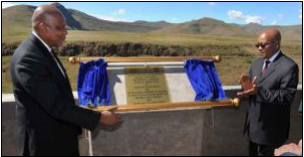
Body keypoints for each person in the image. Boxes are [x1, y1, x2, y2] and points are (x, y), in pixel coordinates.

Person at [10, 5, 121, 156]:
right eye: (60, 28)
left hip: (58, 139)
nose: (65, 33)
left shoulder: (43, 50)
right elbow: (55, 105)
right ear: (43, 27)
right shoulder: (29, 58)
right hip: (45, 145)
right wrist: (100, 117)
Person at [237, 28, 299, 156]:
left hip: (270, 131)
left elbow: (287, 96)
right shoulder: (256, 63)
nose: (259, 48)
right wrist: (246, 90)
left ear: (276, 44)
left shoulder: (289, 67)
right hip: (253, 127)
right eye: (257, 45)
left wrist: (257, 92)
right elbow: (252, 87)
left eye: (263, 44)